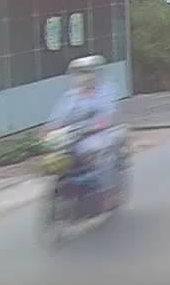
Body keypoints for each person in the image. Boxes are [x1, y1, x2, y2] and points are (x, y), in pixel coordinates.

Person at [46, 55, 125, 197]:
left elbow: (108, 113)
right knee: (59, 160)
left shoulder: (106, 91)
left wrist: (100, 124)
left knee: (103, 156)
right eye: (80, 73)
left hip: (100, 134)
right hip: (76, 136)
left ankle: (109, 191)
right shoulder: (71, 96)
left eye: (87, 72)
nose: (84, 77)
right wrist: (50, 129)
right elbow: (59, 116)